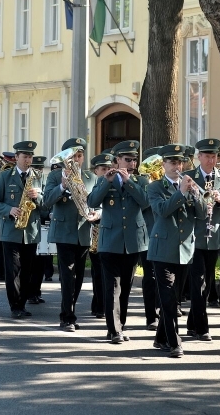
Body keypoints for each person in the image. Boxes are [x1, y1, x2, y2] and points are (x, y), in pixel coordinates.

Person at [146, 144, 206, 358]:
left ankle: (161, 337)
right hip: (162, 250)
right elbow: (162, 211)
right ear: (163, 164)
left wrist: (198, 195)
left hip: (184, 250)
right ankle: (174, 342)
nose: (176, 166)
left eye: (179, 162)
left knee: (174, 299)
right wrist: (181, 192)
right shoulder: (155, 187)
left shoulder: (189, 185)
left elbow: (201, 215)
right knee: (169, 298)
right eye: (172, 162)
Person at [88, 140, 149, 344]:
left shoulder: (141, 181)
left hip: (132, 241)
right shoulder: (105, 180)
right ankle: (113, 330)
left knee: (126, 287)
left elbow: (145, 201)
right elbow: (92, 202)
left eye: (134, 160)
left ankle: (119, 325)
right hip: (110, 241)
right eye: (127, 160)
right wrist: (106, 181)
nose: (132, 163)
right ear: (117, 161)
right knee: (112, 287)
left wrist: (129, 181)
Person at [184, 138, 220, 342]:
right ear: (199, 157)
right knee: (198, 282)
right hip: (194, 236)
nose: (211, 160)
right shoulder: (189, 176)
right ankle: (202, 327)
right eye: (207, 156)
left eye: (214, 156)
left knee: (206, 284)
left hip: (214, 235)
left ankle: (192, 323)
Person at [43, 137, 97, 332]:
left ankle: (70, 311)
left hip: (83, 231)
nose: (77, 159)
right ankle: (67, 317)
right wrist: (63, 187)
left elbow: (96, 200)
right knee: (68, 276)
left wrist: (96, 212)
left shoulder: (91, 177)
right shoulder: (55, 176)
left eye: (80, 155)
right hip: (64, 232)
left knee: (79, 277)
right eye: (73, 156)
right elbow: (46, 201)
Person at [0, 140, 44, 319]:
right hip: (11, 230)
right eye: (25, 157)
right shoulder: (6, 176)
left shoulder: (37, 176)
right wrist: (9, 210)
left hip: (30, 232)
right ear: (16, 158)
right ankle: (15, 306)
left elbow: (45, 205)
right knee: (13, 270)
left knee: (27, 271)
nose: (28, 160)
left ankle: (22, 303)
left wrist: (38, 197)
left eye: (30, 157)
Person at [88, 152, 114, 318]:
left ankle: (104, 305)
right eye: (103, 168)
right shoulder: (92, 183)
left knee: (108, 271)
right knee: (97, 271)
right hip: (94, 229)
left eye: (109, 168)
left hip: (109, 228)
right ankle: (98, 304)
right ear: (96, 170)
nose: (106, 171)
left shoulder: (112, 182)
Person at [139, 146, 162, 330]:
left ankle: (165, 311)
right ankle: (151, 316)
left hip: (166, 234)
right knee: (151, 277)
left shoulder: (168, 182)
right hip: (148, 232)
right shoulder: (143, 182)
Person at [28, 155, 52, 300]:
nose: (38, 171)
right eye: (35, 168)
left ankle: (36, 292)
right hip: (30, 224)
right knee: (31, 261)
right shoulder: (28, 180)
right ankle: (30, 292)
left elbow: (48, 202)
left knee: (41, 262)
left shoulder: (45, 180)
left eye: (40, 168)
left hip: (43, 223)